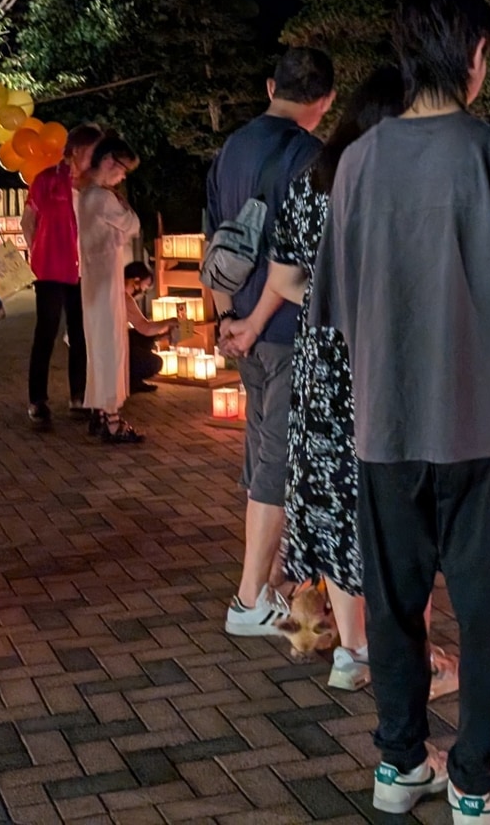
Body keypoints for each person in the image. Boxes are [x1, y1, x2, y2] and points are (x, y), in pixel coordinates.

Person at [310, 0, 490, 825]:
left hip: (386, 423)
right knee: (484, 605)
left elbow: (340, 305)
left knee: (392, 604)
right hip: (484, 423)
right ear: (472, 56)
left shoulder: (358, 160)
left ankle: (397, 763)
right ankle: (471, 778)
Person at [221, 66, 456, 702]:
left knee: (340, 510)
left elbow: (287, 278)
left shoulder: (316, 182)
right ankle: (413, 657)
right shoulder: (401, 190)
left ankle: (353, 652)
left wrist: (324, 302)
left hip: (322, 365)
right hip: (385, 368)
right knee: (399, 513)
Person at [209, 47, 335, 637]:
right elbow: (301, 260)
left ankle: (276, 584)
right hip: (283, 332)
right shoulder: (311, 157)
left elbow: (216, 241)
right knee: (277, 467)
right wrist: (255, 321)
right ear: (326, 100)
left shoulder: (232, 148)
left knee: (264, 454)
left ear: (270, 85)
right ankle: (249, 601)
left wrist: (226, 320)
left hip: (242, 330)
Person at [23, 124, 103, 428]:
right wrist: (37, 251)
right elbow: (28, 220)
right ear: (78, 151)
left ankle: (79, 396)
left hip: (85, 269)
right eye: (94, 152)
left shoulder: (95, 184)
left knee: (81, 332)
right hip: (51, 269)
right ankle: (37, 400)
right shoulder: (47, 180)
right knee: (46, 331)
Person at [75, 135, 144, 443]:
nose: (122, 176)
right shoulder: (102, 198)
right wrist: (125, 208)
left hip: (95, 280)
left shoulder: (87, 194)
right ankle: (112, 418)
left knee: (100, 347)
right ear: (108, 162)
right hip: (104, 281)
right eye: (121, 169)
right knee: (110, 347)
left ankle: (102, 412)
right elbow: (133, 224)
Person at [122, 261, 171, 393]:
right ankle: (130, 379)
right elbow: (145, 327)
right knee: (155, 362)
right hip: (114, 350)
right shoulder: (124, 298)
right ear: (136, 280)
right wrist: (169, 322)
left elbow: (144, 329)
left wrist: (160, 332)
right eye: (146, 285)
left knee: (147, 338)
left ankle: (134, 380)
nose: (145, 290)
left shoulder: (118, 293)